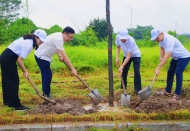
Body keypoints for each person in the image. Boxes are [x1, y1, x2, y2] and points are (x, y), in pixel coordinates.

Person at [0, 29, 47, 110]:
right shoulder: (28, 44)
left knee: (8, 81)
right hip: (8, 58)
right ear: (36, 37)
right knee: (13, 81)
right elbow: (19, 60)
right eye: (41, 40)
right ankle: (15, 105)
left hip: (7, 57)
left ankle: (9, 103)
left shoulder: (29, 40)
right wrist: (25, 71)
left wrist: (24, 71)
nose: (41, 42)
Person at [34, 26, 78, 98]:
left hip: (45, 56)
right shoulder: (58, 39)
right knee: (47, 74)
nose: (70, 39)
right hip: (41, 56)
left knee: (46, 74)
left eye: (71, 38)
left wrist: (59, 55)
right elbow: (65, 56)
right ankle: (46, 95)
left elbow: (58, 48)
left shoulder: (60, 37)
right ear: (64, 33)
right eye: (69, 37)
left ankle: (46, 93)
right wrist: (73, 69)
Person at [151, 28, 190, 101]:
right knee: (170, 72)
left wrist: (158, 67)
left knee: (178, 72)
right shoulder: (161, 40)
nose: (156, 39)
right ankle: (167, 91)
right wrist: (160, 58)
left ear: (161, 33)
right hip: (175, 57)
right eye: (155, 38)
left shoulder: (169, 40)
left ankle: (177, 94)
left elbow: (167, 56)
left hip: (184, 57)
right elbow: (162, 49)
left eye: (157, 37)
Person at [115, 29, 142, 94]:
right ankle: (123, 87)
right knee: (124, 71)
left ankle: (137, 89)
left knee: (136, 71)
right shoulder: (117, 37)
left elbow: (129, 55)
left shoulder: (131, 40)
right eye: (122, 39)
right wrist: (117, 57)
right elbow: (118, 47)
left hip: (135, 55)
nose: (123, 40)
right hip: (126, 55)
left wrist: (121, 66)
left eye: (125, 38)